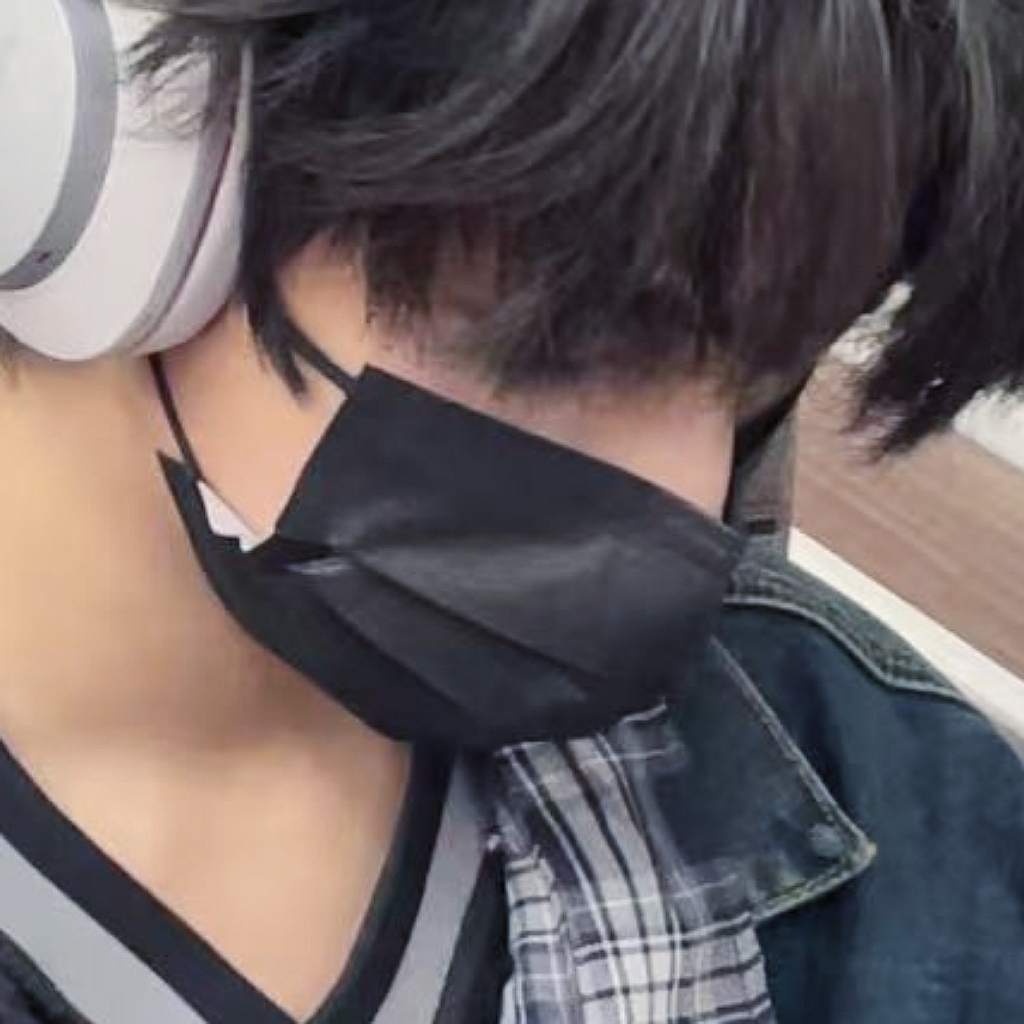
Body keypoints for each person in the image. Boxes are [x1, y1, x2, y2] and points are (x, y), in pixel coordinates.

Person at [1, 1, 1023, 1022]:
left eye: (765, 372)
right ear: (126, 149)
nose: (691, 496)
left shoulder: (904, 797)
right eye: (570, 339)